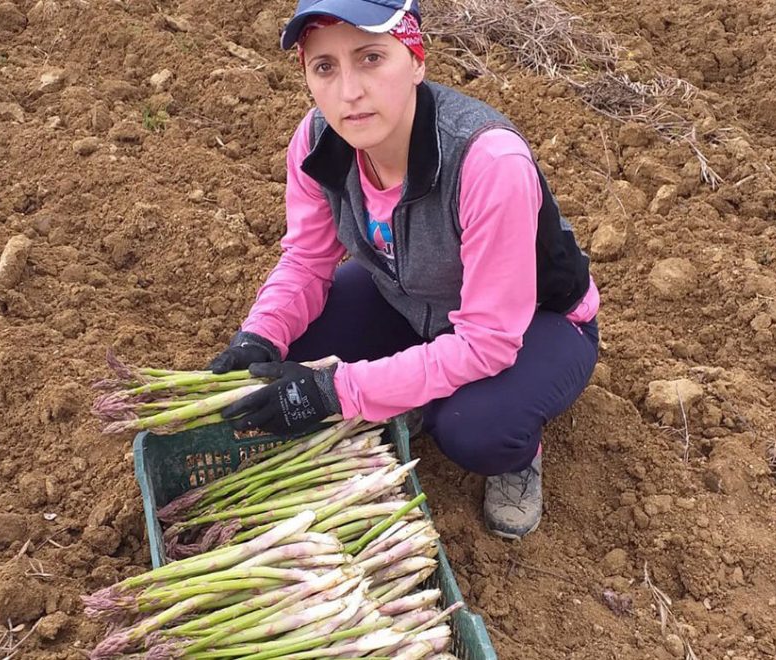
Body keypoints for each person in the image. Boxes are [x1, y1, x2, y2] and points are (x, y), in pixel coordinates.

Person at [211, 0, 600, 539]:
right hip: (409, 296)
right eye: (325, 67)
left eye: (371, 58)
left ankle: (515, 454)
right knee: (289, 356)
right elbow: (306, 260)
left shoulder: (487, 162)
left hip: (533, 323)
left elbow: (487, 342)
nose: (349, 91)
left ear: (416, 60)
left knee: (473, 427)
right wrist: (259, 335)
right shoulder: (318, 141)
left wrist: (339, 391)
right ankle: (409, 385)